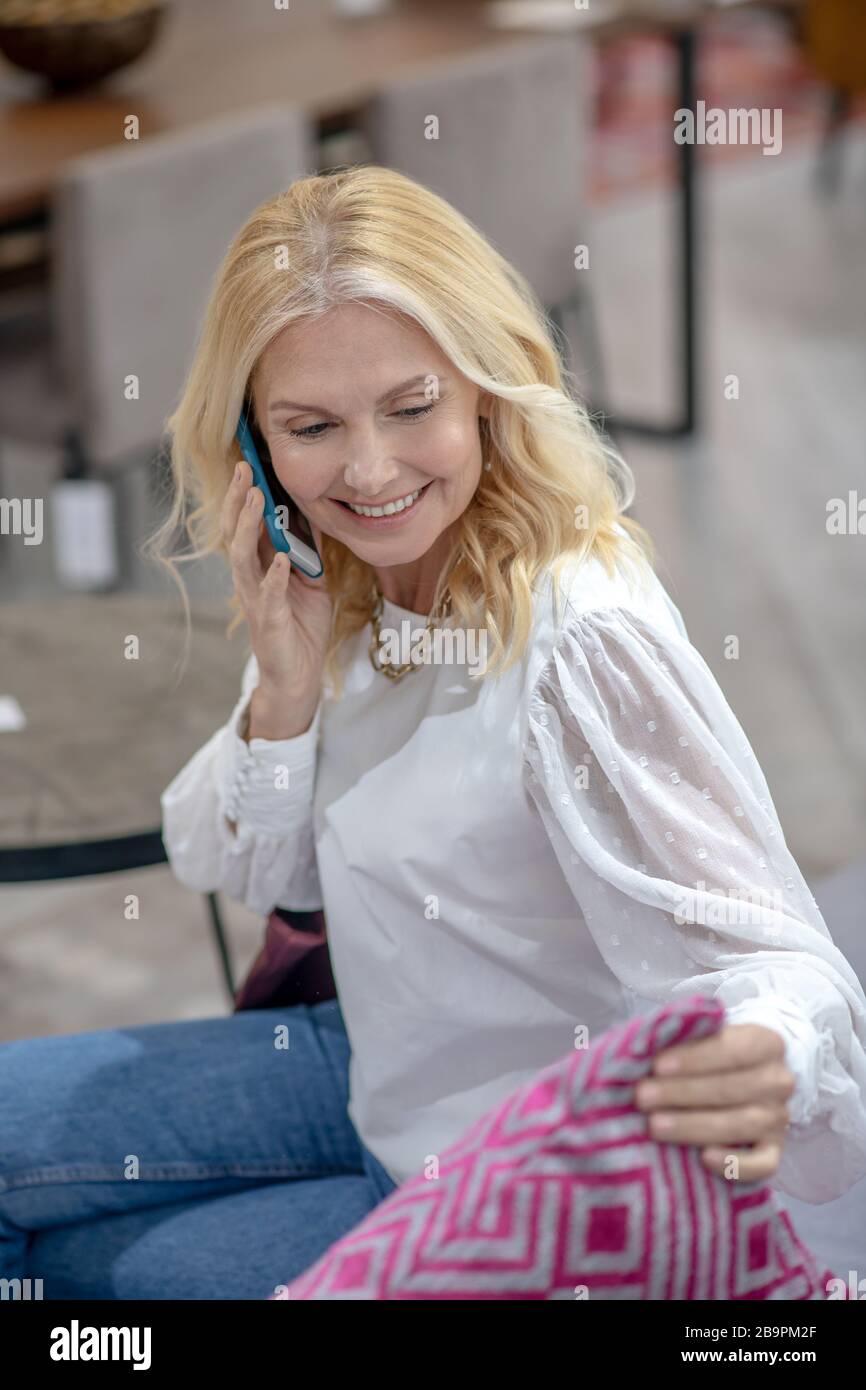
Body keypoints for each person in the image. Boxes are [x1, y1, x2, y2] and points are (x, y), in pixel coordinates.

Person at [1, 167, 864, 1300]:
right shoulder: (359, 586)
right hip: (377, 1068)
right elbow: (224, 856)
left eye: (411, 407)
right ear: (252, 450)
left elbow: (778, 961)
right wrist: (284, 690)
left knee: (72, 1280)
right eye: (309, 428)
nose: (366, 471)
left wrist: (769, 1053)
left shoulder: (579, 643)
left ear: (484, 394)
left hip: (500, 1185)